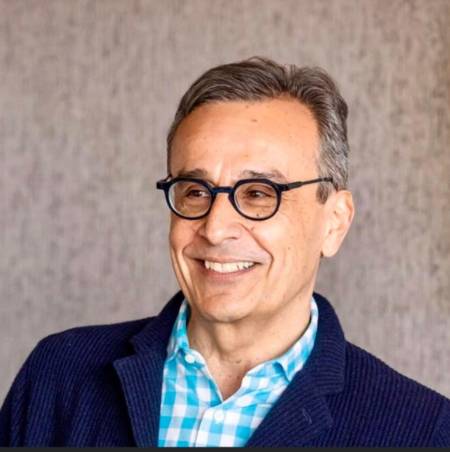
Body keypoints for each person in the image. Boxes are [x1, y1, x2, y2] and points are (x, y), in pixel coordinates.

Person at [0, 57, 449, 447]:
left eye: (258, 193)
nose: (215, 228)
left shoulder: (423, 429)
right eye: (195, 191)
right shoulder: (58, 375)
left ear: (334, 222)